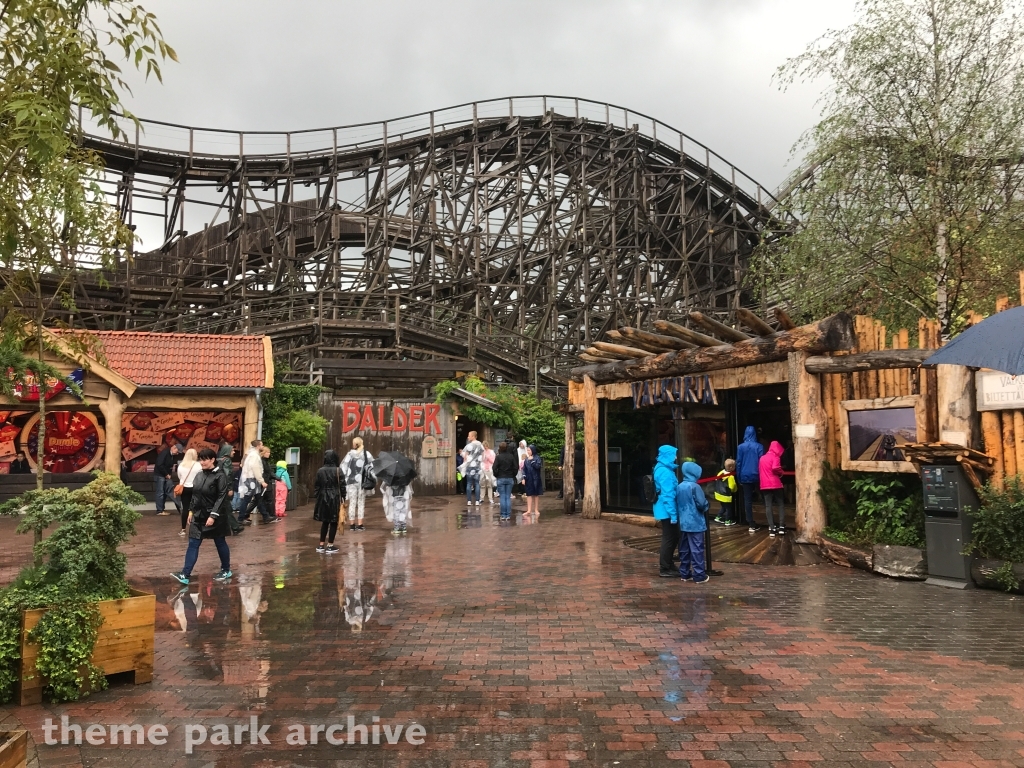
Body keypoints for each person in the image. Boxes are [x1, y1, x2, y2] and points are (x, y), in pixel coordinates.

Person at [170, 448, 232, 585]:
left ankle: (226, 569)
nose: (202, 462)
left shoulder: (220, 476)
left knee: (220, 542)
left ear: (212, 460)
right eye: (201, 459)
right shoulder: (199, 474)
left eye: (205, 459)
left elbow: (221, 497)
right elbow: (195, 495)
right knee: (193, 543)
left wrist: (213, 515)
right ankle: (185, 574)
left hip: (215, 516)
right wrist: (191, 511)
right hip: (199, 515)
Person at [676, 460, 710, 584]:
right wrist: (707, 505)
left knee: (684, 549)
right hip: (695, 522)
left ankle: (685, 573)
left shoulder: (680, 486)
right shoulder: (695, 486)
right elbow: (701, 504)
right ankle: (699, 574)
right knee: (697, 549)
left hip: (683, 522)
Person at [653, 444, 680, 578]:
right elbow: (668, 495)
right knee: (670, 538)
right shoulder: (665, 472)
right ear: (668, 455)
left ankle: (668, 564)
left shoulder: (661, 468)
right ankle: (665, 567)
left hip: (664, 509)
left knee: (672, 537)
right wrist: (673, 515)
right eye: (674, 454)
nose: (676, 457)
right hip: (667, 510)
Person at [340, 437, 375, 531]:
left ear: (355, 444)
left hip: (351, 482)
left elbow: (343, 467)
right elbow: (373, 466)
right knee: (361, 503)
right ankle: (360, 525)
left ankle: (352, 525)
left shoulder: (349, 454)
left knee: (352, 503)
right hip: (362, 483)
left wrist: (345, 478)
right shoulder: (366, 454)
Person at [314, 449, 344, 553]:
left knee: (325, 521)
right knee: (333, 522)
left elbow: (317, 486)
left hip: (323, 497)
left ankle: (321, 545)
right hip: (334, 497)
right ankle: (330, 545)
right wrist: (343, 498)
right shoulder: (338, 470)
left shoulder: (320, 470)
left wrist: (317, 497)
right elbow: (342, 486)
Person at [735, 426, 764, 533]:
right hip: (758, 475)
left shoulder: (740, 447)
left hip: (745, 475)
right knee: (765, 498)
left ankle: (750, 523)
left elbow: (739, 463)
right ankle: (770, 523)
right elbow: (762, 462)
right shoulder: (759, 446)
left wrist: (739, 478)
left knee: (747, 500)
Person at [759, 441, 786, 537]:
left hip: (765, 484)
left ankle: (772, 528)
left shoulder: (762, 458)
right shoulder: (775, 457)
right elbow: (775, 468)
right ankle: (782, 526)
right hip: (775, 484)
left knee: (768, 506)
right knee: (780, 504)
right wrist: (781, 472)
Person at [237, 443, 266, 524]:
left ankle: (265, 515)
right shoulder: (255, 456)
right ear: (257, 446)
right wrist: (261, 481)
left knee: (257, 498)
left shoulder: (250, 454)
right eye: (261, 445)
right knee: (247, 499)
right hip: (251, 480)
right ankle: (241, 518)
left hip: (249, 479)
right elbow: (256, 468)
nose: (262, 446)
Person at [176, 448, 202, 537]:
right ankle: (197, 527)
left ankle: (183, 529)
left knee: (186, 508)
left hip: (185, 489)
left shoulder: (181, 465)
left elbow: (179, 477)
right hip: (195, 488)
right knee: (196, 507)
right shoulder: (198, 465)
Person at [154, 442, 182, 517]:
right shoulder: (165, 453)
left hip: (165, 475)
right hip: (160, 475)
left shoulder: (170, 454)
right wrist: (166, 474)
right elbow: (159, 464)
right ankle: (159, 510)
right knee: (160, 493)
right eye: (177, 451)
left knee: (164, 493)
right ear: (174, 448)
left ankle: (161, 509)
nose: (177, 454)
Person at [492, 442, 518, 521]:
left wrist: (497, 475)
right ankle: (508, 515)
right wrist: (513, 475)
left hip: (501, 478)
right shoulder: (511, 457)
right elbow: (516, 467)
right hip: (510, 478)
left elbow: (494, 468)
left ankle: (503, 515)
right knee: (508, 497)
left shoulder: (498, 457)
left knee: (502, 497)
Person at [461, 431, 484, 506]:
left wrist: (465, 464)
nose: (468, 437)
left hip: (470, 466)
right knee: (477, 483)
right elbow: (483, 455)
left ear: (473, 436)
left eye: (469, 436)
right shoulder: (480, 444)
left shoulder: (469, 446)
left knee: (469, 483)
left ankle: (469, 501)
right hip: (477, 467)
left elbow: (465, 456)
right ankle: (477, 501)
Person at [713, 458, 738, 526]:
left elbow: (716, 479)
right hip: (726, 496)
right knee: (728, 509)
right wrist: (735, 490)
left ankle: (718, 517)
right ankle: (728, 520)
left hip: (719, 494)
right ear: (731, 467)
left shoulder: (721, 473)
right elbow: (732, 486)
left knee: (723, 507)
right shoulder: (730, 476)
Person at [522, 444, 543, 516]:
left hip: (536, 478)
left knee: (536, 494)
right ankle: (529, 510)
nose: (528, 451)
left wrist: (533, 461)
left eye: (529, 450)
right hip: (528, 479)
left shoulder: (537, 458)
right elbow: (524, 469)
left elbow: (538, 467)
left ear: (532, 450)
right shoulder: (526, 459)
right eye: (527, 450)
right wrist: (524, 478)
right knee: (529, 494)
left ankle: (536, 509)